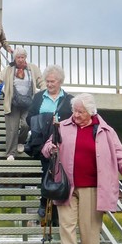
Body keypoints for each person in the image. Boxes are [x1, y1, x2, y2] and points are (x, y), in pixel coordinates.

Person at [42, 93, 122, 244]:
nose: (76, 115)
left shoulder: (106, 131)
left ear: (90, 112)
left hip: (92, 186)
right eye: (74, 111)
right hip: (66, 185)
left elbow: (120, 155)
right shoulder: (63, 127)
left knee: (89, 226)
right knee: (67, 225)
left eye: (80, 112)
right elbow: (46, 148)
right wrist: (51, 148)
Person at [25, 64, 74, 217]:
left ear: (60, 82)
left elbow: (74, 121)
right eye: (47, 81)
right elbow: (28, 118)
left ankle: (58, 202)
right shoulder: (39, 97)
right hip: (42, 141)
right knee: (48, 170)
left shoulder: (69, 100)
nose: (49, 84)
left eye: (52, 81)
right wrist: (44, 120)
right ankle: (44, 201)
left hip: (63, 142)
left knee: (61, 171)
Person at [0, 47, 45, 160]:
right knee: (12, 129)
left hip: (29, 102)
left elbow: (41, 81)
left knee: (26, 124)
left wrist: (44, 91)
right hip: (12, 103)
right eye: (18, 57)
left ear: (26, 58)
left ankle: (21, 141)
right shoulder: (9, 69)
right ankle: (10, 153)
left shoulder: (33, 68)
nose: (20, 59)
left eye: (22, 57)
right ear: (15, 58)